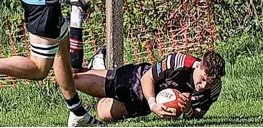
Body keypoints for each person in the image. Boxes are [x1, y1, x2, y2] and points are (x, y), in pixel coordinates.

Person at [74, 46, 226, 122]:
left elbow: (198, 115)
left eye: (210, 82)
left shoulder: (215, 88)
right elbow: (148, 78)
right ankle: (96, 66)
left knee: (102, 113)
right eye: (203, 78)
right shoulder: (179, 62)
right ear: (199, 66)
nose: (204, 85)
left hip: (146, 105)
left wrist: (187, 110)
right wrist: (153, 104)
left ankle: (99, 68)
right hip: (137, 80)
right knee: (75, 77)